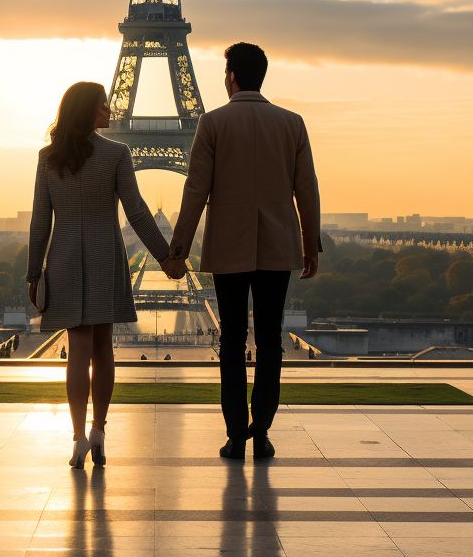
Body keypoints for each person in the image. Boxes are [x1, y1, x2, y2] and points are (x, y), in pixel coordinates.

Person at [167, 42, 320, 460]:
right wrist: (311, 245)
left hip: (228, 249)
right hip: (277, 248)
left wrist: (177, 250)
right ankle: (262, 431)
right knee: (270, 341)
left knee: (231, 341)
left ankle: (236, 434)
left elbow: (196, 190)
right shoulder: (292, 123)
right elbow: (306, 189)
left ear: (231, 76)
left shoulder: (212, 123)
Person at [28, 81, 174, 468]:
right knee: (103, 349)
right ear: (86, 111)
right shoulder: (116, 154)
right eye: (103, 105)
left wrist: (33, 272)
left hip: (63, 256)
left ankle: (76, 437)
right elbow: (138, 212)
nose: (110, 111)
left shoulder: (48, 157)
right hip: (105, 255)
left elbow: (41, 221)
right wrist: (166, 257)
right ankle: (99, 430)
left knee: (77, 351)